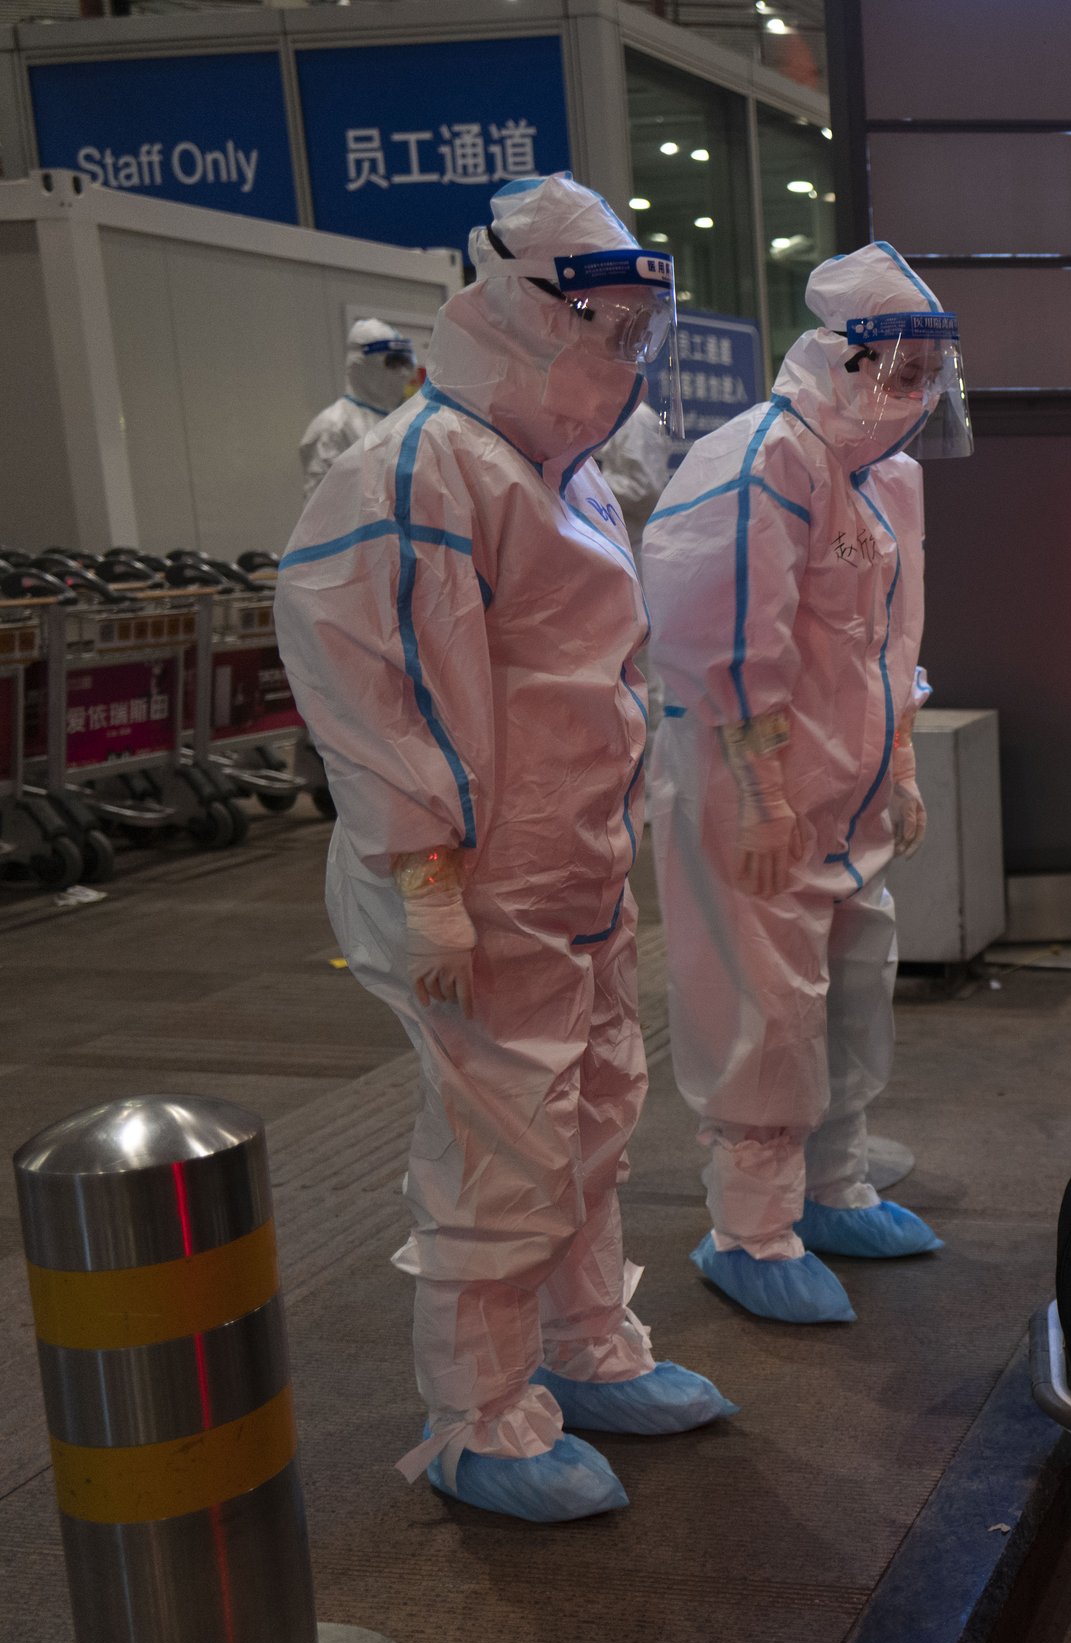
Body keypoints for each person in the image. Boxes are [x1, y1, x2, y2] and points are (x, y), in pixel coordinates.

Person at [274, 174, 733, 1525]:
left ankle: (589, 1351)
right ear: (513, 304)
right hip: (474, 881)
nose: (622, 350)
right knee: (502, 1145)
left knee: (590, 1116)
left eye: (636, 322)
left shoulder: (560, 472)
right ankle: (480, 1418)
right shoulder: (420, 466)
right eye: (601, 319)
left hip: (571, 875)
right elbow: (379, 695)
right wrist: (426, 880)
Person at [641, 241, 965, 1324]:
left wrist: (903, 763)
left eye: (930, 374)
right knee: (764, 1011)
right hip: (758, 800)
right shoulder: (763, 460)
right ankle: (752, 1227)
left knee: (852, 992)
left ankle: (834, 1185)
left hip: (844, 800)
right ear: (839, 360)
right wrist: (765, 791)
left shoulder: (887, 483)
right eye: (899, 370)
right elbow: (720, 640)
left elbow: (889, 639)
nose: (914, 395)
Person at [299, 318, 417, 496]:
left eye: (405, 363)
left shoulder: (406, 419)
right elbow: (324, 507)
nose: (402, 372)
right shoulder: (333, 426)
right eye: (392, 363)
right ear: (362, 364)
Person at [596, 390, 675, 550]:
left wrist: (585, 482)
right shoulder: (613, 413)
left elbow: (644, 490)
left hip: (632, 543)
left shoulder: (636, 418)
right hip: (612, 540)